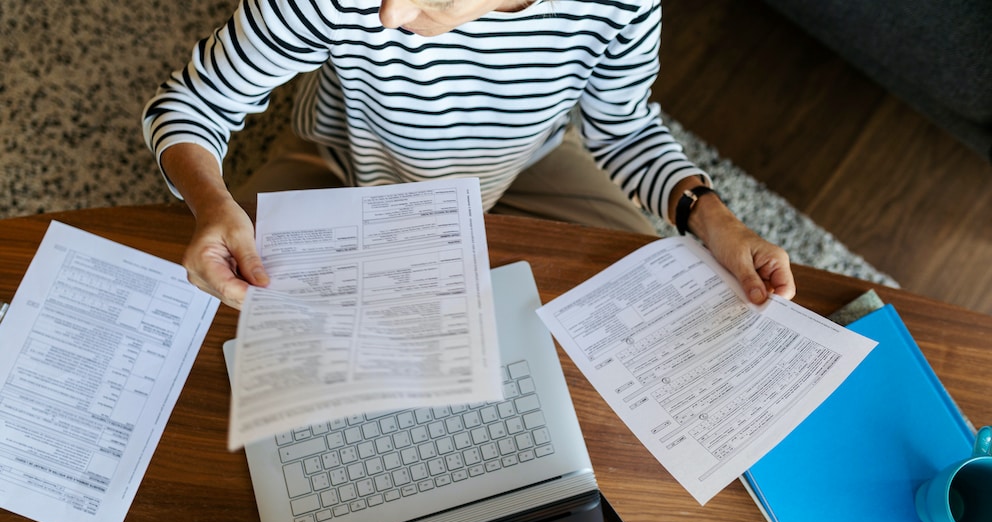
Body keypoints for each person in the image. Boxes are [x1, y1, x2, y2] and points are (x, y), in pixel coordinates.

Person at [143, 0, 795, 310]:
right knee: (224, 310)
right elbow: (189, 105)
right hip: (344, 162)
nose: (391, 12)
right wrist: (210, 200)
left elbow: (621, 129)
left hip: (530, 164)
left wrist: (715, 220)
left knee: (650, 295)